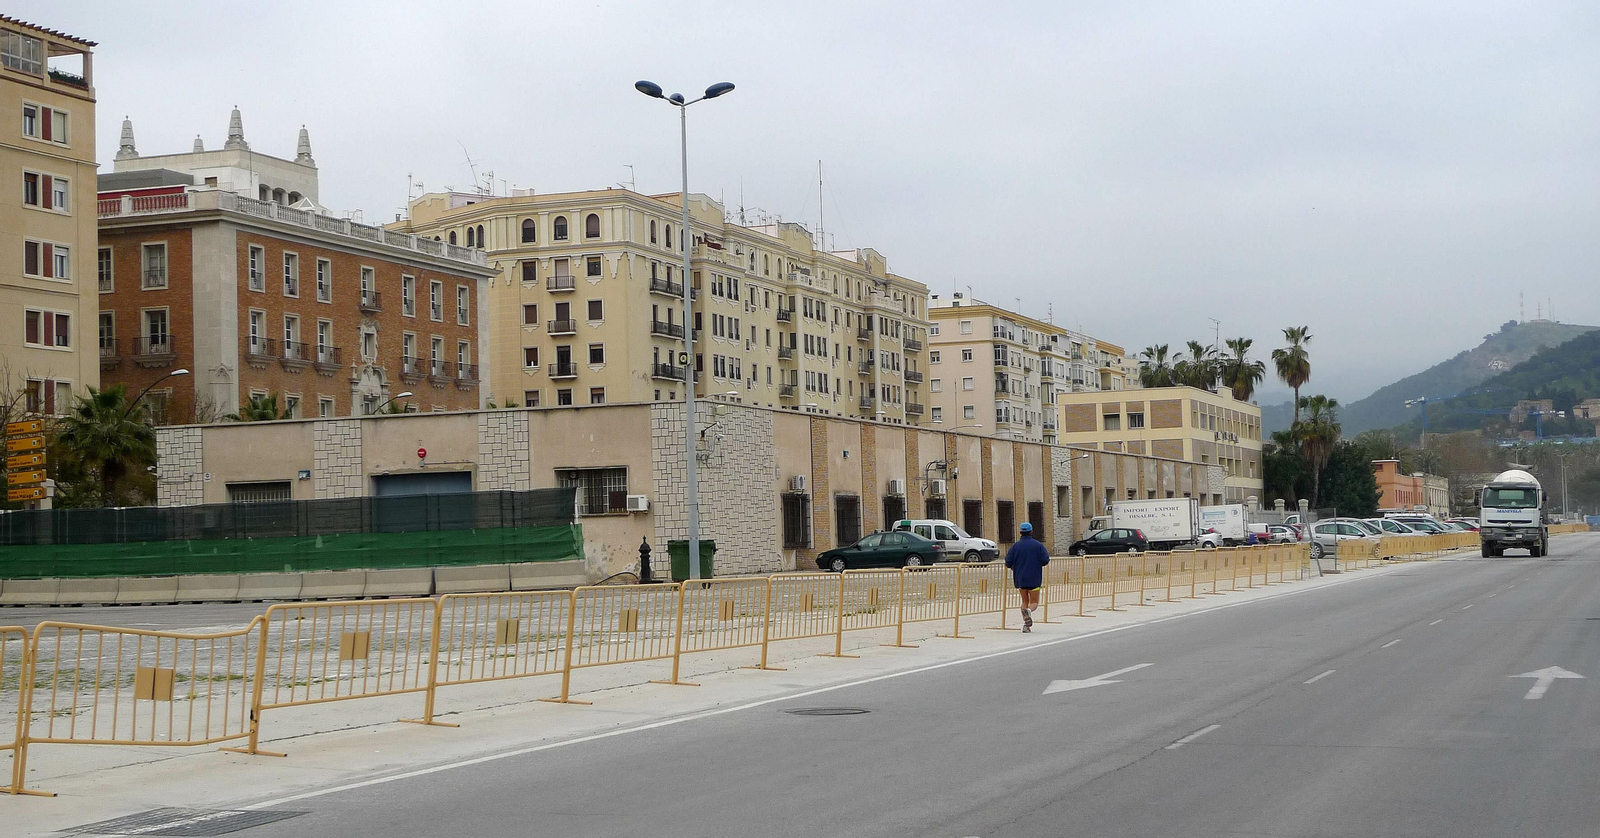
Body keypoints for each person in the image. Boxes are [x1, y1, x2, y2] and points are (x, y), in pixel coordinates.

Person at [1004, 521, 1050, 632]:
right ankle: (1029, 611)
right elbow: (1045, 559)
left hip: (1020, 578)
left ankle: (1026, 625)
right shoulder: (1038, 545)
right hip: (1034, 577)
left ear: (1020, 532)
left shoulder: (1015, 546)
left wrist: (1012, 566)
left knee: (1024, 601)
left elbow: (1008, 561)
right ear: (1031, 532)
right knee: (1034, 602)